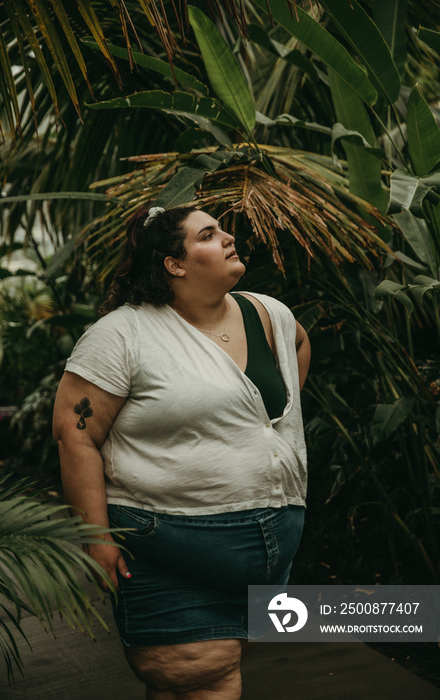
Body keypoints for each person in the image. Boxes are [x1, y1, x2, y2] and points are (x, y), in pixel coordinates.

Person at [52, 205, 311, 700]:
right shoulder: (122, 334)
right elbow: (74, 433)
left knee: (185, 683)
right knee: (200, 672)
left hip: (273, 547)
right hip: (167, 541)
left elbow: (299, 343)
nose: (229, 237)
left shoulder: (268, 312)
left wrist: (263, 430)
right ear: (174, 263)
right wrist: (96, 536)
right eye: (209, 234)